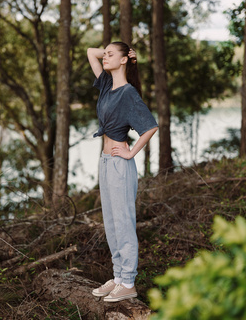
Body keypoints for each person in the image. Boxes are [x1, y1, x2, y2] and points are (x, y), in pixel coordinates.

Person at [87, 42, 158, 302]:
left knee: (124, 222)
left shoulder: (128, 93)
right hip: (105, 162)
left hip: (119, 164)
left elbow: (150, 127)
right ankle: (118, 277)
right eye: (104, 54)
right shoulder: (107, 84)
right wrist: (115, 53)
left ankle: (128, 281)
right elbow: (90, 52)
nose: (104, 57)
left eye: (110, 54)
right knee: (111, 223)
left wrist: (130, 153)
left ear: (124, 60)